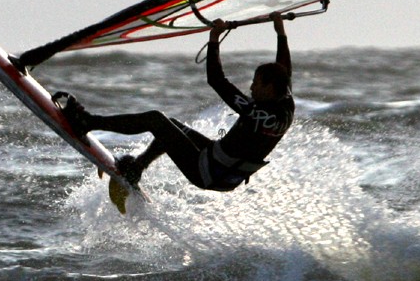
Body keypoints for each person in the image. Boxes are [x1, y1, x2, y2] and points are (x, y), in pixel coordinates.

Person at [53, 13, 293, 193]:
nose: (251, 89)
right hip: (224, 169)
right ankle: (137, 167)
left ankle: (87, 123)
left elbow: (216, 80)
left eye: (257, 84)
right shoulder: (286, 104)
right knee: (172, 126)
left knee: (156, 120)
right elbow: (284, 70)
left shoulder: (254, 112)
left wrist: (214, 38)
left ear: (270, 87)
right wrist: (280, 31)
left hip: (208, 171)